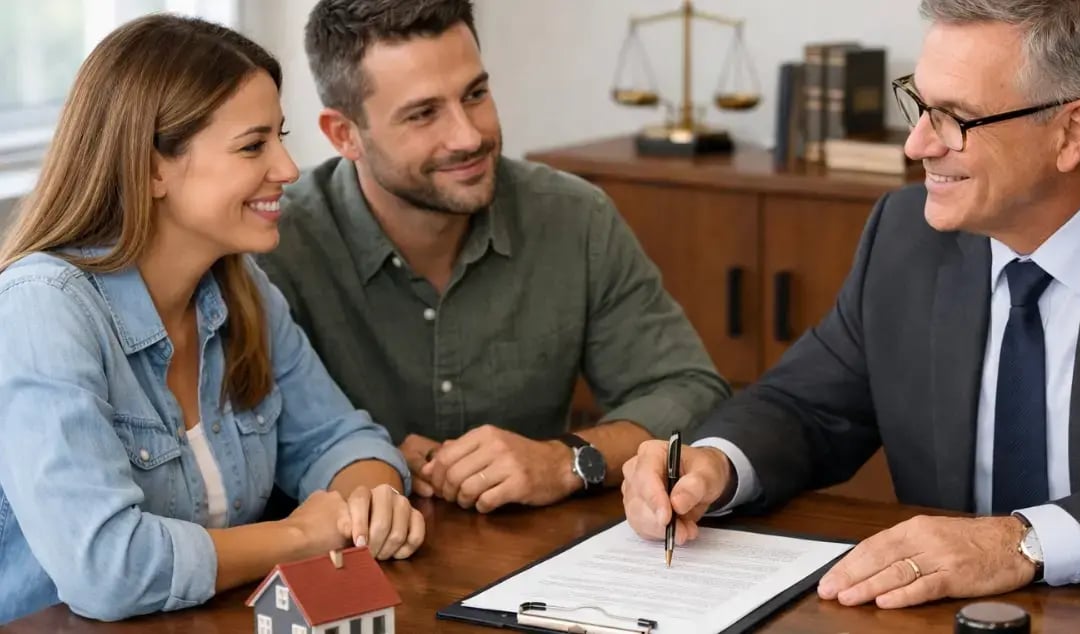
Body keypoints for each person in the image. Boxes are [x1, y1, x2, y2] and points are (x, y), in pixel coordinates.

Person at [622, 0, 1080, 609]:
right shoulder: (906, 235)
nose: (918, 144)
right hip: (937, 614)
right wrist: (716, 465)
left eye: (955, 118)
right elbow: (807, 406)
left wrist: (1024, 543)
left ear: (1072, 131)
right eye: (920, 104)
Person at [0, 15, 424, 625]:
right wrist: (300, 537)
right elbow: (107, 569)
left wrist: (370, 501)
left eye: (280, 137)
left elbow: (338, 440)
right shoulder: (42, 309)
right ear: (152, 169)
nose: (288, 168)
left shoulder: (242, 289)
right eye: (253, 146)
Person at [255, 0, 729, 515]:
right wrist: (366, 461)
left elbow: (691, 392)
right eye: (423, 114)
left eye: (475, 94)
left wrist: (564, 460)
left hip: (538, 551)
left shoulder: (572, 217)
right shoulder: (274, 246)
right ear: (344, 134)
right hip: (345, 555)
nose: (469, 135)